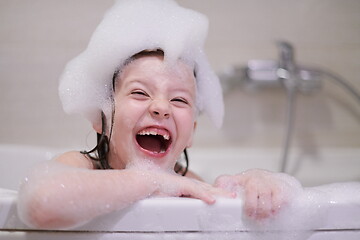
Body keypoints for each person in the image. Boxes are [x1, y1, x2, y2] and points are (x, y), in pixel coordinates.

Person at [17, 0, 302, 229]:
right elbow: (40, 203)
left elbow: (225, 215)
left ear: (191, 132)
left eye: (179, 99)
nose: (161, 107)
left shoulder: (188, 181)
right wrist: (151, 180)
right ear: (100, 119)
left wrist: (256, 184)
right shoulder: (83, 166)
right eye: (140, 93)